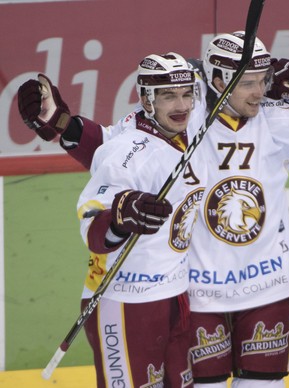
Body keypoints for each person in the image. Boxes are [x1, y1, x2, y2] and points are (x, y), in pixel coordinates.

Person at [17, 16, 289, 387]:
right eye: (248, 83)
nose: (259, 93)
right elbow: (115, 149)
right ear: (217, 80)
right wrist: (63, 126)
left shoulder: (279, 115)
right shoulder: (183, 113)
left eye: (263, 81)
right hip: (198, 293)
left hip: (266, 285)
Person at [54, 52, 205, 388]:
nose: (181, 105)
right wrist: (120, 216)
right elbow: (91, 225)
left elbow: (230, 82)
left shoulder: (187, 123)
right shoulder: (126, 153)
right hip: (126, 302)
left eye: (186, 94)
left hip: (175, 294)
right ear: (147, 100)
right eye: (168, 96)